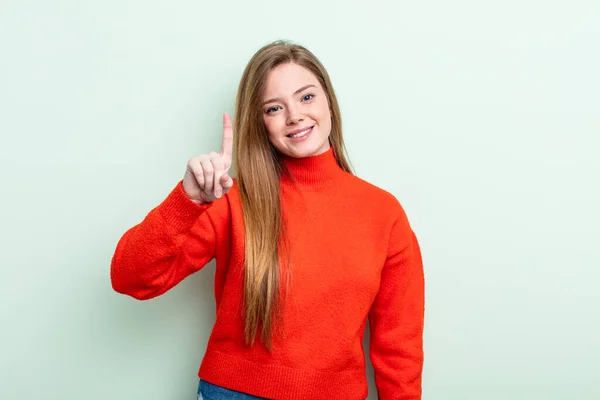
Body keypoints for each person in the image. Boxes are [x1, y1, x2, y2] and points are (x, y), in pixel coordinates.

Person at [110, 40, 425, 400]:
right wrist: (188, 201)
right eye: (274, 108)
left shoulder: (383, 213)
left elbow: (399, 343)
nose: (294, 116)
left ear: (329, 102)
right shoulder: (232, 202)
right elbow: (130, 278)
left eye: (306, 97)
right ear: (260, 123)